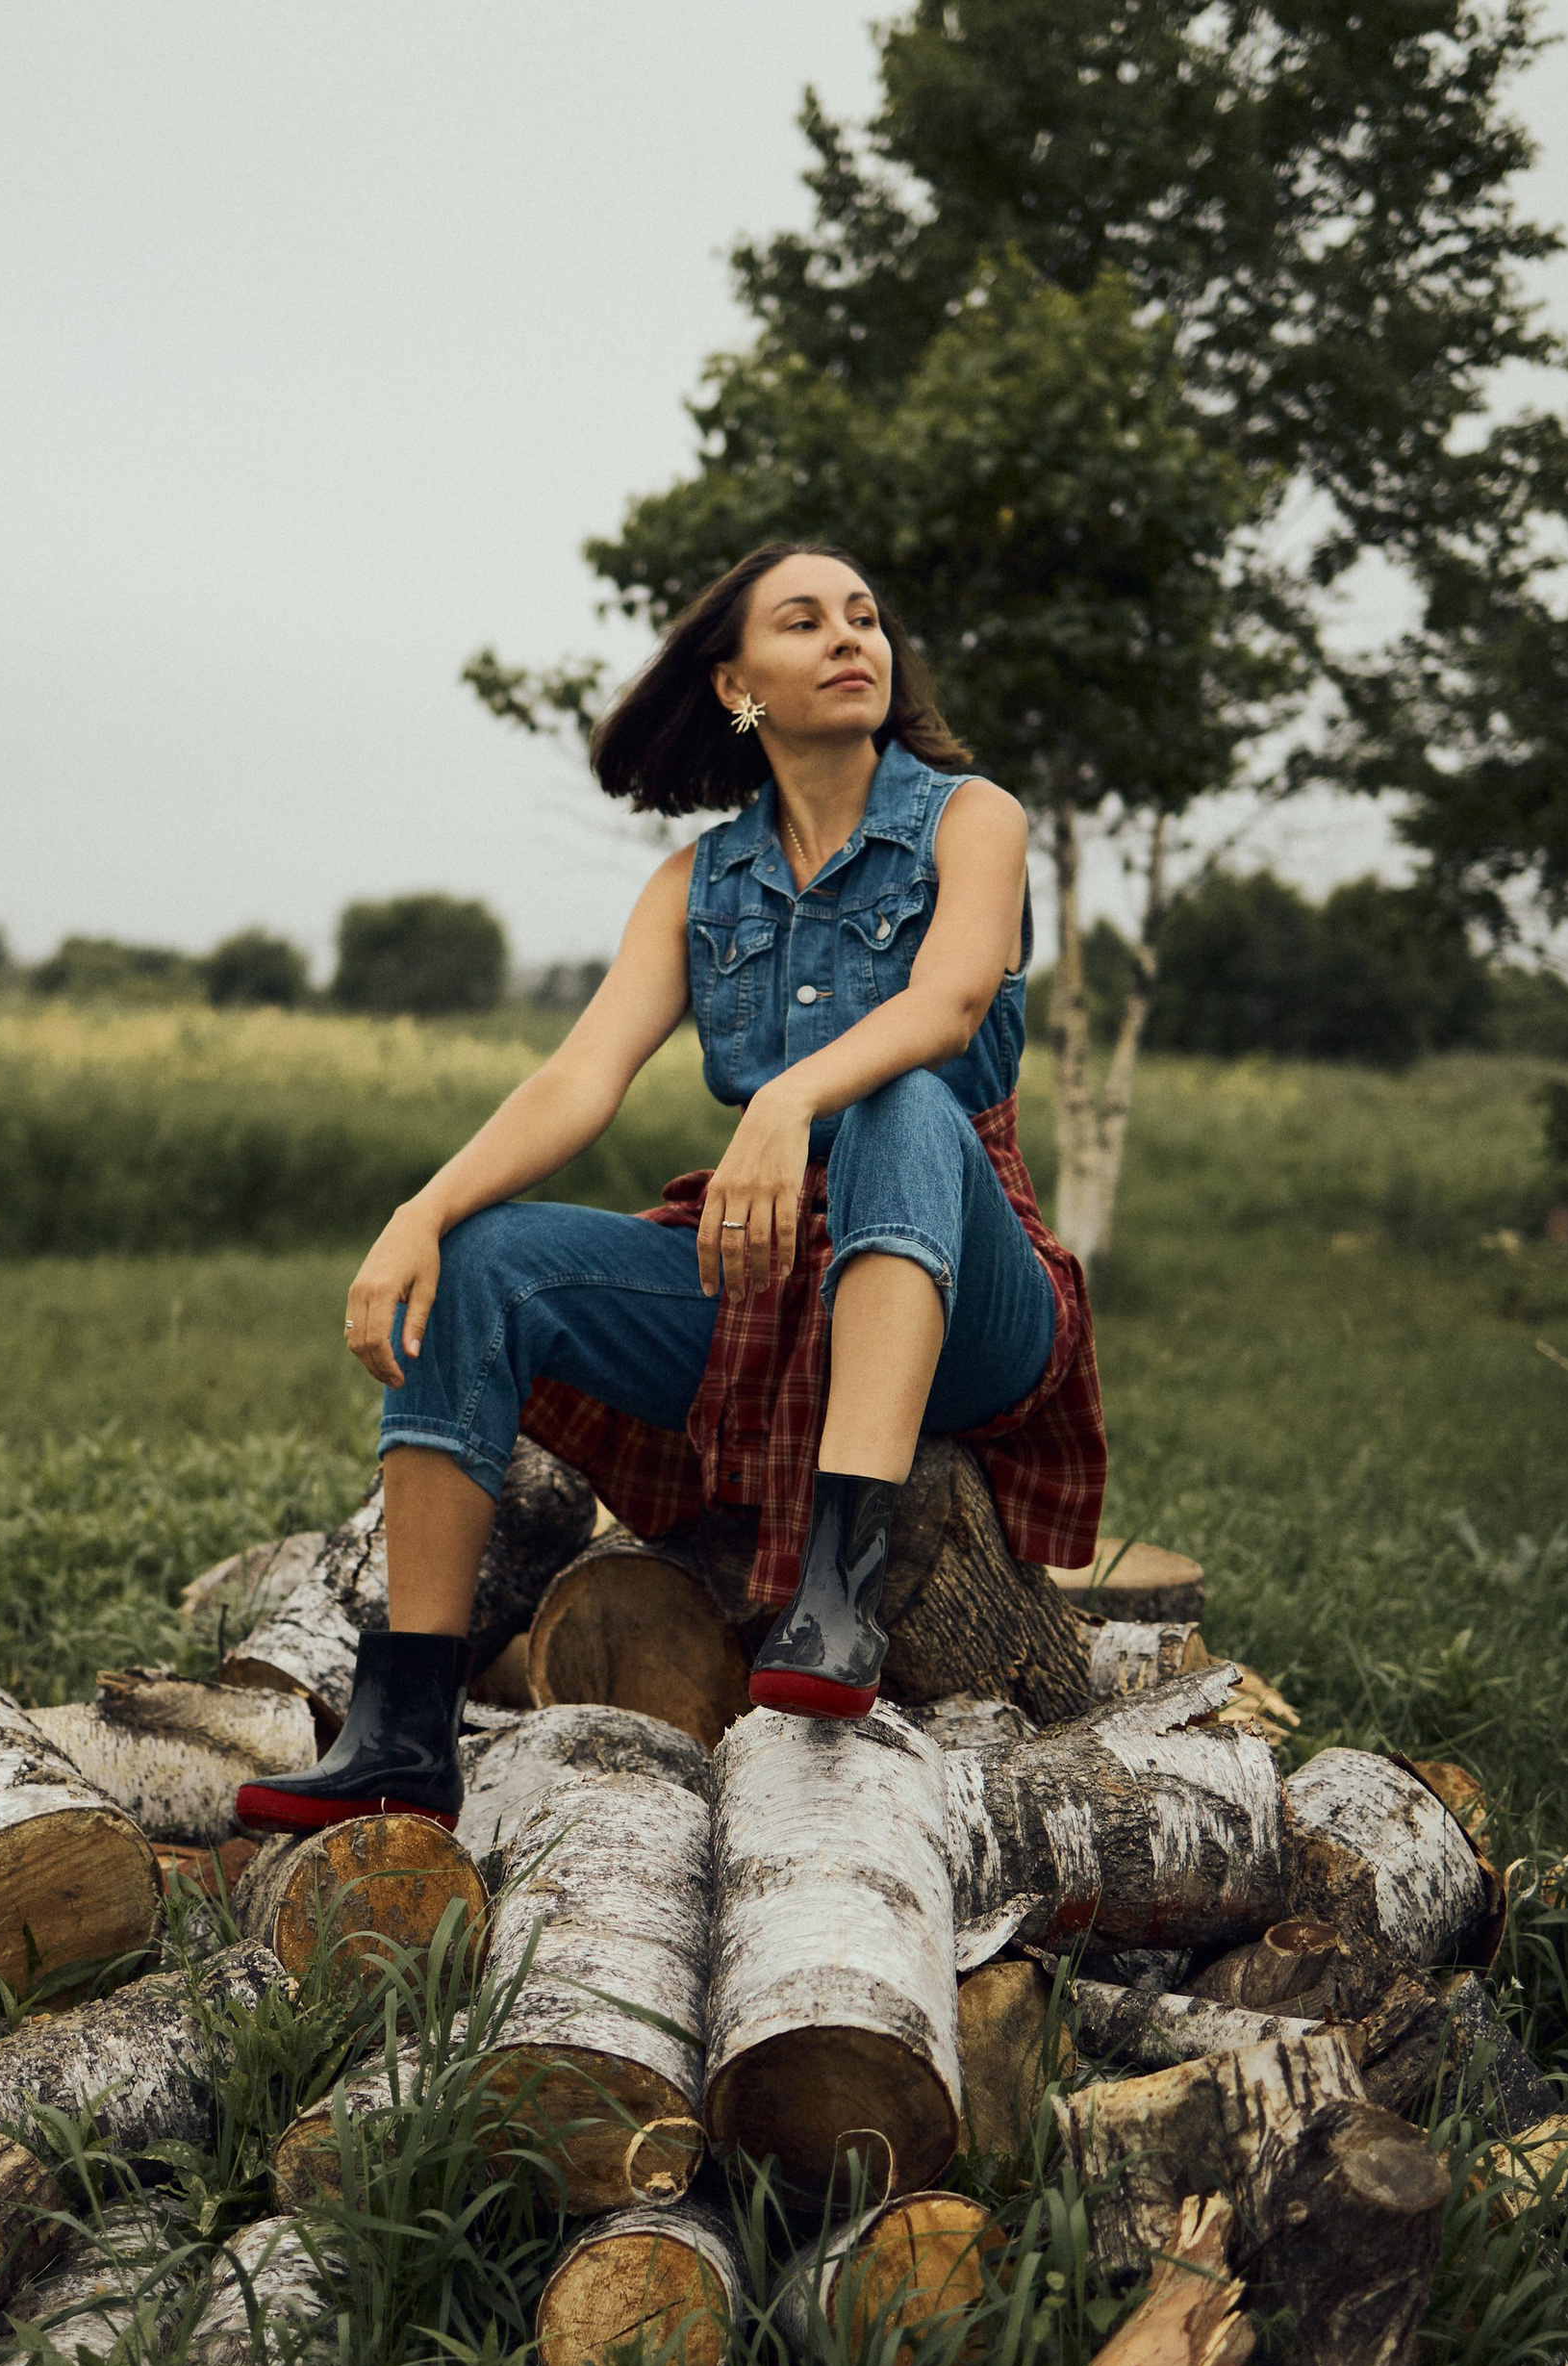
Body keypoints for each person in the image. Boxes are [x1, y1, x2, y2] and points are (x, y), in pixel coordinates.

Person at [234, 543, 1103, 1835]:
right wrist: (419, 1212)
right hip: (767, 1284)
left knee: (897, 1099)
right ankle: (405, 1725)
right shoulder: (698, 885)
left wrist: (789, 1095)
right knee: (484, 1258)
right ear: (736, 683)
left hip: (972, 1278)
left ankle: (841, 1590)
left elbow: (951, 1000)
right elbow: (578, 1084)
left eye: (863, 618)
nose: (850, 638)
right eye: (804, 623)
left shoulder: (971, 818)